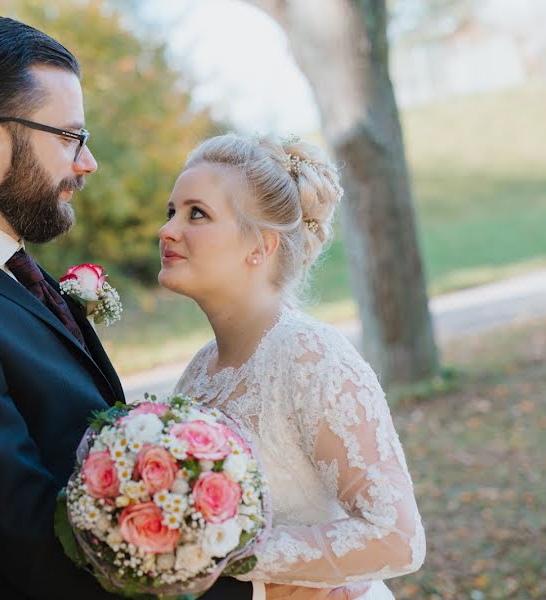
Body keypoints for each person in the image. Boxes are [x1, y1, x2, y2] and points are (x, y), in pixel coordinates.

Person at [0, 16, 268, 600]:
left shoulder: (2, 271)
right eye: (69, 138)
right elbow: (32, 550)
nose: (87, 163)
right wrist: (257, 595)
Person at [159, 134, 427, 599]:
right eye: (171, 212)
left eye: (196, 214)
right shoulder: (200, 372)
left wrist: (232, 557)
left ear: (259, 246)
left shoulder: (309, 357)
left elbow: (398, 537)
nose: (167, 230)